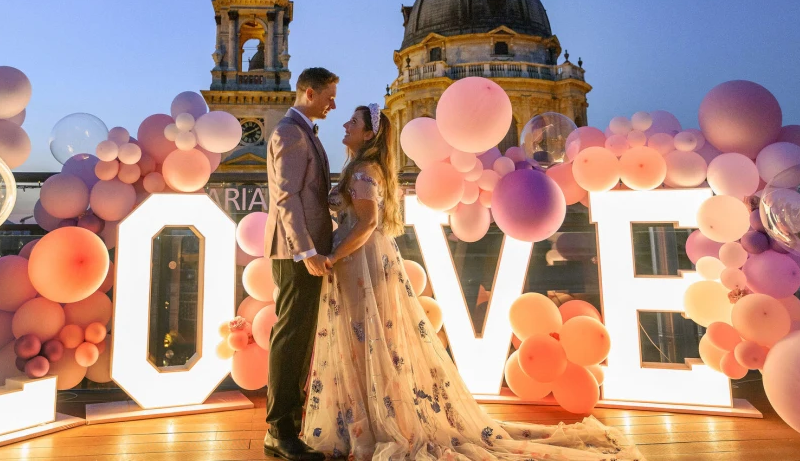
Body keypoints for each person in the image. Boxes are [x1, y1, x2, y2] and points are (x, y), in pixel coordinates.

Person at [301, 104, 643, 460]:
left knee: (366, 339)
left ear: (369, 134)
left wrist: (333, 256)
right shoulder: (362, 169)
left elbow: (367, 222)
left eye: (353, 122)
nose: (346, 124)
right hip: (363, 261)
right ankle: (365, 419)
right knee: (368, 341)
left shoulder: (364, 171)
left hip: (360, 262)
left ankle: (371, 422)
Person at [263, 67, 339, 461]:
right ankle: (279, 431)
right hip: (296, 252)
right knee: (291, 336)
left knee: (300, 336)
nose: (334, 104)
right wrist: (306, 251)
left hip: (303, 250)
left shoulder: (301, 130)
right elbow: (287, 198)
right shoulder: (291, 132)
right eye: (329, 96)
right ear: (309, 92)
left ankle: (288, 424)